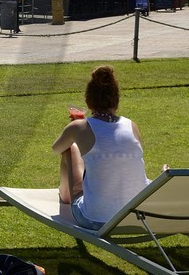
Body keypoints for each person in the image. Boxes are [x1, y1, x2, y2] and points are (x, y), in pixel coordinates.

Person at [54, 65, 147, 230]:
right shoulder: (132, 126)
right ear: (116, 101)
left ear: (88, 101)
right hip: (136, 216)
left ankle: (65, 197)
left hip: (94, 218)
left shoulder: (79, 126)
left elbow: (56, 148)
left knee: (70, 149)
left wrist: (75, 133)